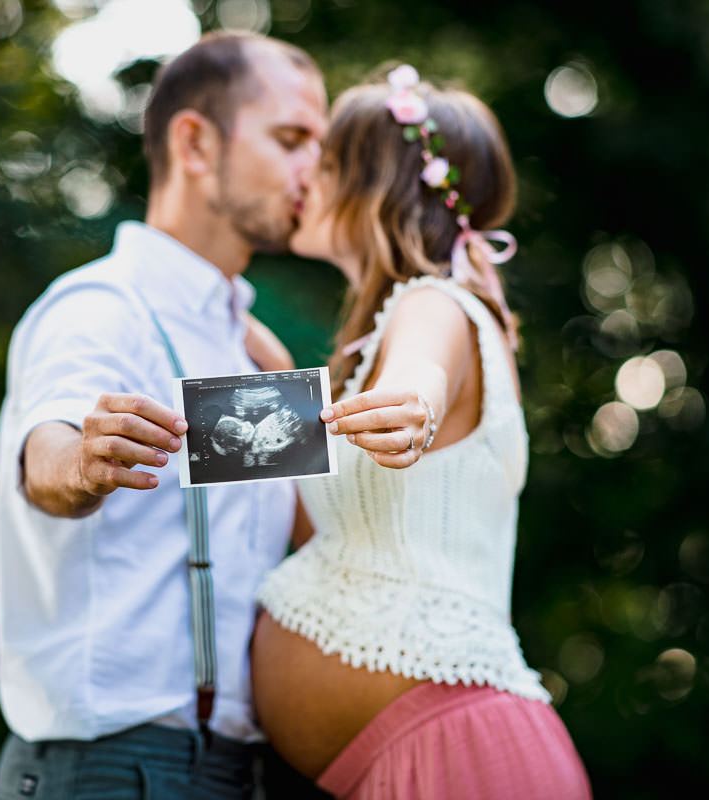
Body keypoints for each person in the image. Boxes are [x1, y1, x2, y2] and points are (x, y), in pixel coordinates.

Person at [0, 31, 327, 799]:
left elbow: (321, 541)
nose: (315, 168)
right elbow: (48, 455)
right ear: (195, 143)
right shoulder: (102, 306)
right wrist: (82, 463)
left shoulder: (243, 340)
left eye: (321, 146)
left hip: (234, 772)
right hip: (109, 769)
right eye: (291, 138)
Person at [251, 64, 593, 798]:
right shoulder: (382, 334)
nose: (306, 170)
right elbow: (320, 539)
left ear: (380, 188)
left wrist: (414, 401)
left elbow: (419, 380)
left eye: (330, 158)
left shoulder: (436, 303)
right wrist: (269, 373)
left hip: (458, 755)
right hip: (413, 755)